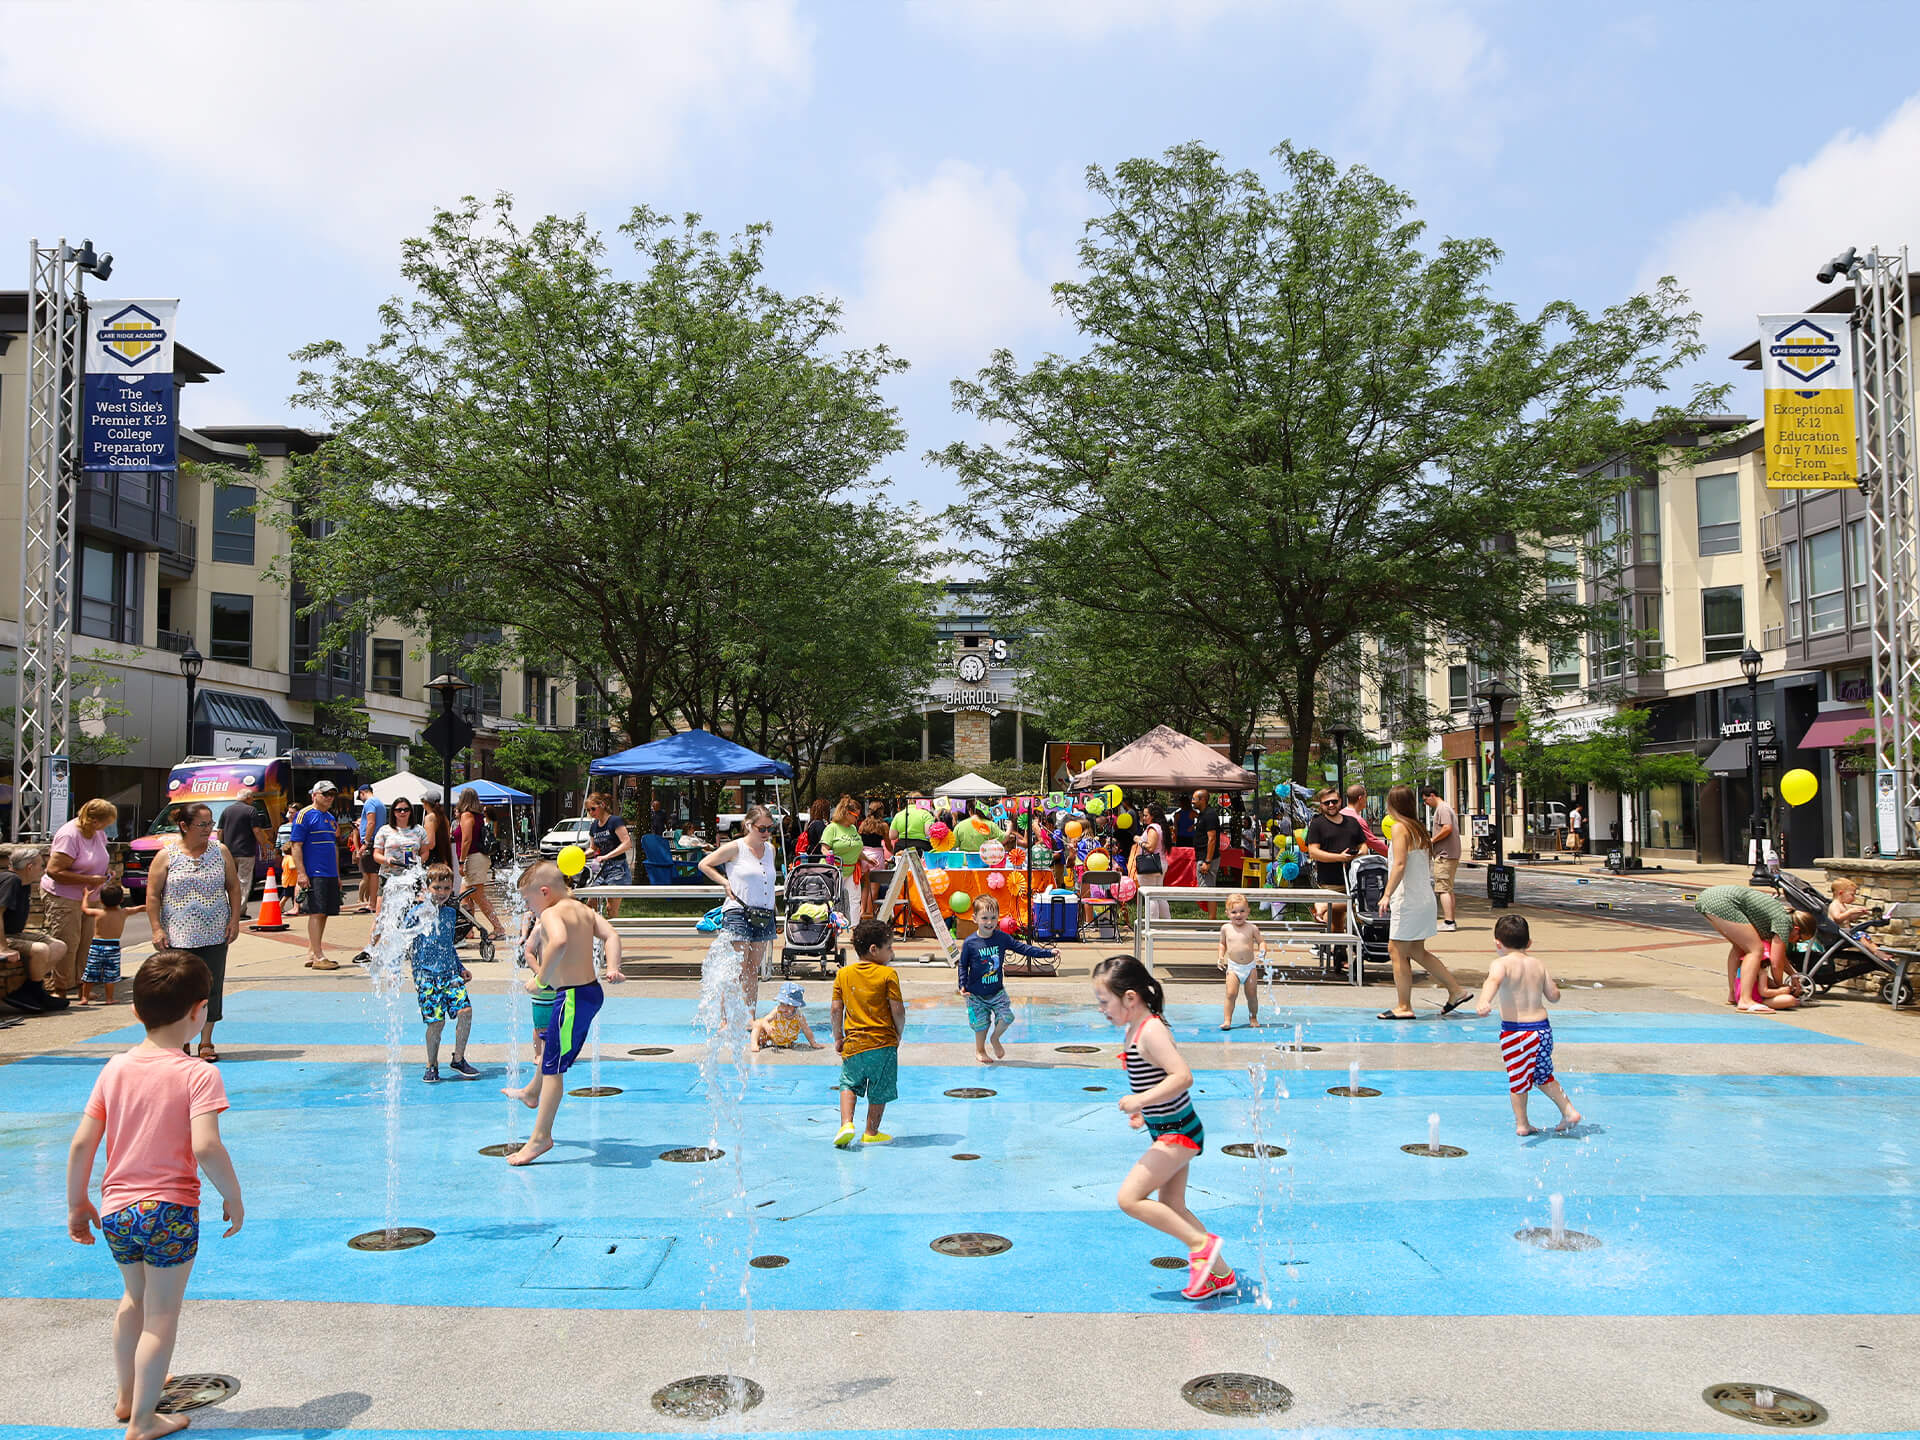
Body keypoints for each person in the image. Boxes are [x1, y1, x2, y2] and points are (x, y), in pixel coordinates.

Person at [65, 949, 243, 1440]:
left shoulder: (115, 1067)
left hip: (119, 1210)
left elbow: (83, 1141)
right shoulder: (198, 1073)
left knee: (133, 1301)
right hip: (170, 1211)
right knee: (161, 1318)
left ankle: (127, 1398)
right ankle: (144, 1421)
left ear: (135, 1011)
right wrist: (233, 1195)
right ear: (198, 1011)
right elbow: (205, 1144)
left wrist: (77, 1202)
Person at [1092, 954, 1236, 1301]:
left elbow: (1183, 1076)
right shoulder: (1135, 1028)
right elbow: (1157, 1079)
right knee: (1172, 1203)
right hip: (1169, 1128)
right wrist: (1145, 1108)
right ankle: (1222, 1274)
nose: (1101, 1009)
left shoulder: (1151, 1030)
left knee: (1129, 1199)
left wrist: (1139, 1101)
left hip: (1179, 1132)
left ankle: (1202, 1244)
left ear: (1130, 997)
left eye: (1104, 1001)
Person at [502, 859, 625, 1165]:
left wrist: (540, 978)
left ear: (544, 892)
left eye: (530, 901)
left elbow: (558, 942)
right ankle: (532, 1093)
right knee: (552, 1052)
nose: (531, 909)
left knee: (553, 1069)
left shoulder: (553, 912)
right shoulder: (584, 909)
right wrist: (612, 967)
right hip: (590, 992)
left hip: (570, 997)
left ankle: (541, 1138)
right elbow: (612, 936)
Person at [145, 803, 245, 1062]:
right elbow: (153, 895)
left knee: (211, 986)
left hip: (215, 932)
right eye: (202, 825)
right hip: (178, 934)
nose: (208, 829)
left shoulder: (220, 851)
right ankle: (182, 1039)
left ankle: (206, 1041)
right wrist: (156, 928)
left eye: (210, 824)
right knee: (180, 988)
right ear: (184, 826)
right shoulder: (166, 856)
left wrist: (235, 920)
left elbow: (234, 887)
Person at [1475, 914, 1583, 1135]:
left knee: (1518, 1078)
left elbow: (1492, 982)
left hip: (1517, 1033)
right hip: (1542, 1031)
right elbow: (1553, 995)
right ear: (1529, 943)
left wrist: (1484, 1001)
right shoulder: (1538, 964)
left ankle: (1522, 1124)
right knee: (1543, 1075)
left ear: (1497, 943)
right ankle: (1568, 1110)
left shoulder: (1500, 964)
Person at [1377, 784, 1473, 1022]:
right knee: (1416, 950)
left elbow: (1399, 864)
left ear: (1392, 805)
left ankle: (1404, 1006)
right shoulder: (1418, 828)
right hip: (1423, 897)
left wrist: (1387, 893)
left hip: (1407, 898)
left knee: (1397, 950)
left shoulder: (1400, 828)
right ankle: (1456, 991)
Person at [699, 804, 780, 1015]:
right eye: (761, 828)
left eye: (770, 828)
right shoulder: (736, 848)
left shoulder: (770, 850)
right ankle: (726, 1017)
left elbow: (766, 881)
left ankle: (750, 1016)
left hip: (764, 914)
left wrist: (773, 905)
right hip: (738, 912)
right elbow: (704, 864)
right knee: (737, 968)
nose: (766, 833)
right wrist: (725, 883)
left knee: (753, 969)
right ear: (749, 825)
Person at [956, 894, 1057, 1063]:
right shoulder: (970, 943)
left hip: (997, 992)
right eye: (985, 918)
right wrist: (962, 985)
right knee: (980, 1025)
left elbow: (1023, 949)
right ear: (975, 919)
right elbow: (963, 965)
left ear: (998, 918)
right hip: (975, 994)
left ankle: (995, 1039)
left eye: (993, 918)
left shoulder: (1002, 938)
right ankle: (980, 1051)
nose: (989, 922)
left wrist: (1047, 953)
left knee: (1007, 1017)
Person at [832, 917, 904, 1147]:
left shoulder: (843, 975)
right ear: (874, 950)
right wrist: (898, 1033)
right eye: (889, 947)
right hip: (883, 1044)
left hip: (853, 1045)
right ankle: (871, 1132)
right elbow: (898, 1009)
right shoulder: (888, 975)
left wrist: (838, 1038)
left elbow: (835, 1010)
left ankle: (846, 1124)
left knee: (849, 1085)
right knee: (879, 1090)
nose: (892, 953)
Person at [1692, 884, 1816, 1013]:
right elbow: (1776, 964)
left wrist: (1793, 974)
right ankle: (1745, 1000)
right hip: (1724, 901)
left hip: (1711, 897)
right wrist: (1780, 987)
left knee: (1739, 947)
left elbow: (1779, 956)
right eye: (1800, 939)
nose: (1796, 942)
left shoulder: (1783, 916)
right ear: (1797, 929)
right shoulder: (1785, 923)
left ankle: (1734, 994)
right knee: (1756, 950)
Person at [42, 798, 118, 1003]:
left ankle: (81, 987)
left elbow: (98, 858)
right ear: (93, 820)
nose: (106, 828)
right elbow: (54, 871)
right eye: (105, 823)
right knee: (68, 942)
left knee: (86, 943)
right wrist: (89, 879)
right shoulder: (69, 835)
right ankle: (59, 988)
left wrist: (106, 872)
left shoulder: (97, 833)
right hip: (64, 897)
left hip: (90, 897)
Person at [409, 864, 478, 1082]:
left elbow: (447, 945)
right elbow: (402, 942)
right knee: (436, 1022)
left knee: (465, 1011)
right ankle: (432, 1064)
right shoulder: (416, 914)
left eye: (446, 888)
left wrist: (460, 968)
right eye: (436, 888)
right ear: (426, 887)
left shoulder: (450, 913)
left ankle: (458, 1058)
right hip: (426, 976)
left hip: (450, 973)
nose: (441, 893)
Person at [1, 846, 70, 1013]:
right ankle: (33, 991)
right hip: (5, 936)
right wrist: (3, 947)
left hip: (15, 933)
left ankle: (30, 990)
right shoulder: (11, 881)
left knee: (59, 946)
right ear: (29, 867)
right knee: (40, 950)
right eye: (41, 865)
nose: (44, 870)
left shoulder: (23, 883)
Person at [289, 781, 344, 969]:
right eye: (325, 794)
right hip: (314, 872)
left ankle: (312, 951)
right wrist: (301, 873)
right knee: (316, 911)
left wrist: (337, 874)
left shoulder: (330, 818)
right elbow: (296, 845)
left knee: (324, 913)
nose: (329, 798)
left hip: (329, 872)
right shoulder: (304, 815)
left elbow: (333, 847)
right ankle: (318, 957)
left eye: (332, 795)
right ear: (315, 795)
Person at [1304, 787, 1365, 944]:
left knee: (1358, 917)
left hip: (1354, 880)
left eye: (1334, 801)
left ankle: (1323, 907)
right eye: (1327, 802)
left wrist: (1355, 855)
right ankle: (1339, 955)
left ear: (1340, 801)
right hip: (1330, 881)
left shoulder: (1352, 822)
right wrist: (1339, 858)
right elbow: (1313, 852)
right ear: (1321, 805)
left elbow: (1363, 846)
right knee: (1335, 924)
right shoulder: (1317, 824)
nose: (1331, 805)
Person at [453, 787, 502, 940]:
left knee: (477, 896)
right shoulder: (478, 816)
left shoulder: (467, 815)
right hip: (477, 858)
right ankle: (469, 930)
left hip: (472, 858)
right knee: (466, 898)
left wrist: (461, 861)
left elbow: (467, 840)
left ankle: (498, 928)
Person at [1216, 891, 1267, 1030]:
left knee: (1251, 995)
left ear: (1248, 911)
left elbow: (1261, 942)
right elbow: (1222, 944)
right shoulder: (1226, 928)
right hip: (1233, 967)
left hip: (1250, 968)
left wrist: (1262, 952)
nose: (1238, 915)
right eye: (1234, 912)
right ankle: (1227, 1020)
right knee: (1230, 994)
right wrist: (1221, 956)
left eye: (1242, 911)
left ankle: (1253, 1017)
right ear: (1227, 913)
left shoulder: (1252, 928)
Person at [216, 789, 270, 920]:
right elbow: (257, 831)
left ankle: (228, 910)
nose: (252, 800)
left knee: (229, 881)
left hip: (228, 852)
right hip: (246, 851)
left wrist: (221, 846)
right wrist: (263, 846)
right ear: (248, 798)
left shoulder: (227, 810)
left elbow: (219, 831)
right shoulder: (251, 811)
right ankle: (239, 912)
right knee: (244, 882)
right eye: (252, 798)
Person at [80, 882, 134, 1007]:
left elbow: (84, 909)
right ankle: (109, 998)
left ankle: (84, 997)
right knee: (111, 974)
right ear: (121, 899)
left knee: (90, 972)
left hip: (96, 946)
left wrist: (86, 896)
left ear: (101, 900)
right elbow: (142, 907)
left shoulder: (98, 912)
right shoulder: (124, 912)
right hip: (113, 947)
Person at [582, 791, 633, 920]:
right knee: (590, 904)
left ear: (602, 805)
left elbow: (627, 843)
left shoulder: (615, 821)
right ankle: (594, 936)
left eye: (593, 809)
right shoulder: (594, 826)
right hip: (601, 869)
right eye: (588, 810)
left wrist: (607, 856)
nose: (591, 813)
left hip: (618, 869)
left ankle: (613, 936)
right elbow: (593, 848)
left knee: (611, 908)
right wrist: (580, 855)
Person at [1419, 784, 1462, 932]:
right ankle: (1451, 920)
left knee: (1442, 888)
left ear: (1432, 795)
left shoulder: (1442, 808)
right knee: (1448, 888)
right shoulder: (1446, 807)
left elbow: (1447, 828)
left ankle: (1449, 922)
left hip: (1445, 854)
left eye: (1425, 800)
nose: (1425, 804)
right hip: (1450, 853)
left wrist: (1432, 840)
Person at [819, 794, 865, 921]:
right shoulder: (832, 828)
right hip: (834, 871)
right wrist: (830, 858)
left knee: (854, 900)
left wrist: (867, 859)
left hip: (851, 870)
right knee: (831, 900)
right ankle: (829, 927)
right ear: (846, 813)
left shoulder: (853, 828)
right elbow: (824, 848)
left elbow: (856, 848)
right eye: (855, 816)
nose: (857, 819)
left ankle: (855, 928)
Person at [751, 980, 819, 1052]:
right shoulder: (777, 1010)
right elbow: (765, 1020)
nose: (784, 1008)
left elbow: (806, 1029)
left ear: (796, 1006)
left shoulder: (799, 1016)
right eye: (782, 1003)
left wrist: (813, 1043)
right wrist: (767, 1026)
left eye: (788, 1005)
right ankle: (754, 1044)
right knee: (758, 1023)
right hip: (769, 1037)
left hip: (786, 1042)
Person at [1128, 816, 1170, 922]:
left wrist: (1139, 840)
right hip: (1160, 863)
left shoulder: (1152, 828)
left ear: (1153, 815)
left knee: (1150, 896)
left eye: (1146, 815)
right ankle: (1166, 923)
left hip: (1150, 865)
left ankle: (1152, 925)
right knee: (1159, 895)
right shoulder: (1161, 827)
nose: (1144, 817)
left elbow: (1151, 847)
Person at [354, 784, 387, 915]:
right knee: (373, 873)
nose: (361, 800)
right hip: (377, 840)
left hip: (372, 841)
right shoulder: (380, 803)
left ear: (363, 792)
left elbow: (371, 822)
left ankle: (372, 903)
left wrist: (365, 842)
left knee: (371, 873)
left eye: (360, 797)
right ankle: (372, 902)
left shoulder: (370, 803)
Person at [859, 801, 892, 920]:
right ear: (881, 811)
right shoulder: (883, 825)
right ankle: (870, 912)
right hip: (877, 855)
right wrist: (893, 852)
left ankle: (862, 912)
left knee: (865, 886)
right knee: (874, 887)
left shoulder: (863, 824)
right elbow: (888, 844)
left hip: (864, 856)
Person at [1342, 783, 1390, 857]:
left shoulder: (1340, 814)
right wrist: (1392, 855)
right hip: (1354, 861)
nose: (1366, 800)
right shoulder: (1357, 819)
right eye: (1365, 797)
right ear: (1360, 798)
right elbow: (1372, 842)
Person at [420, 796, 454, 870]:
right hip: (443, 858)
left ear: (426, 803)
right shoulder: (444, 818)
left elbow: (431, 844)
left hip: (432, 860)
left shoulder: (430, 818)